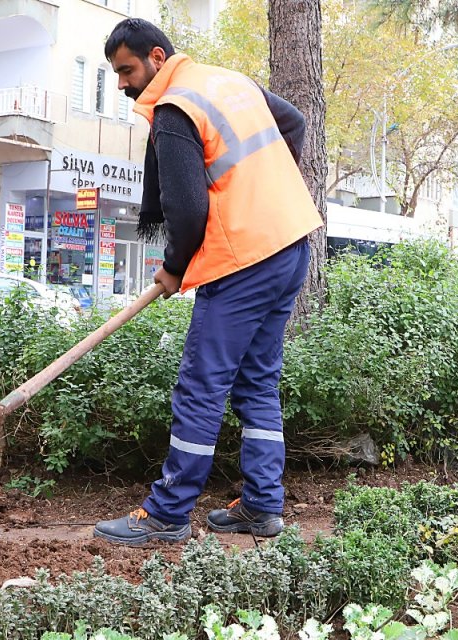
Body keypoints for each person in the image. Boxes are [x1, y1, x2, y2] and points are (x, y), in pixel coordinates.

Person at [93, 18, 322, 545]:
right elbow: (295, 122)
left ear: (155, 56)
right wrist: (267, 191)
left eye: (126, 70)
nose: (123, 84)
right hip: (290, 244)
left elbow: (188, 208)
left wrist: (174, 265)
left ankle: (168, 513)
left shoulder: (175, 108)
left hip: (243, 258)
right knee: (257, 381)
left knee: (201, 387)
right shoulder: (229, 81)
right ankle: (263, 507)